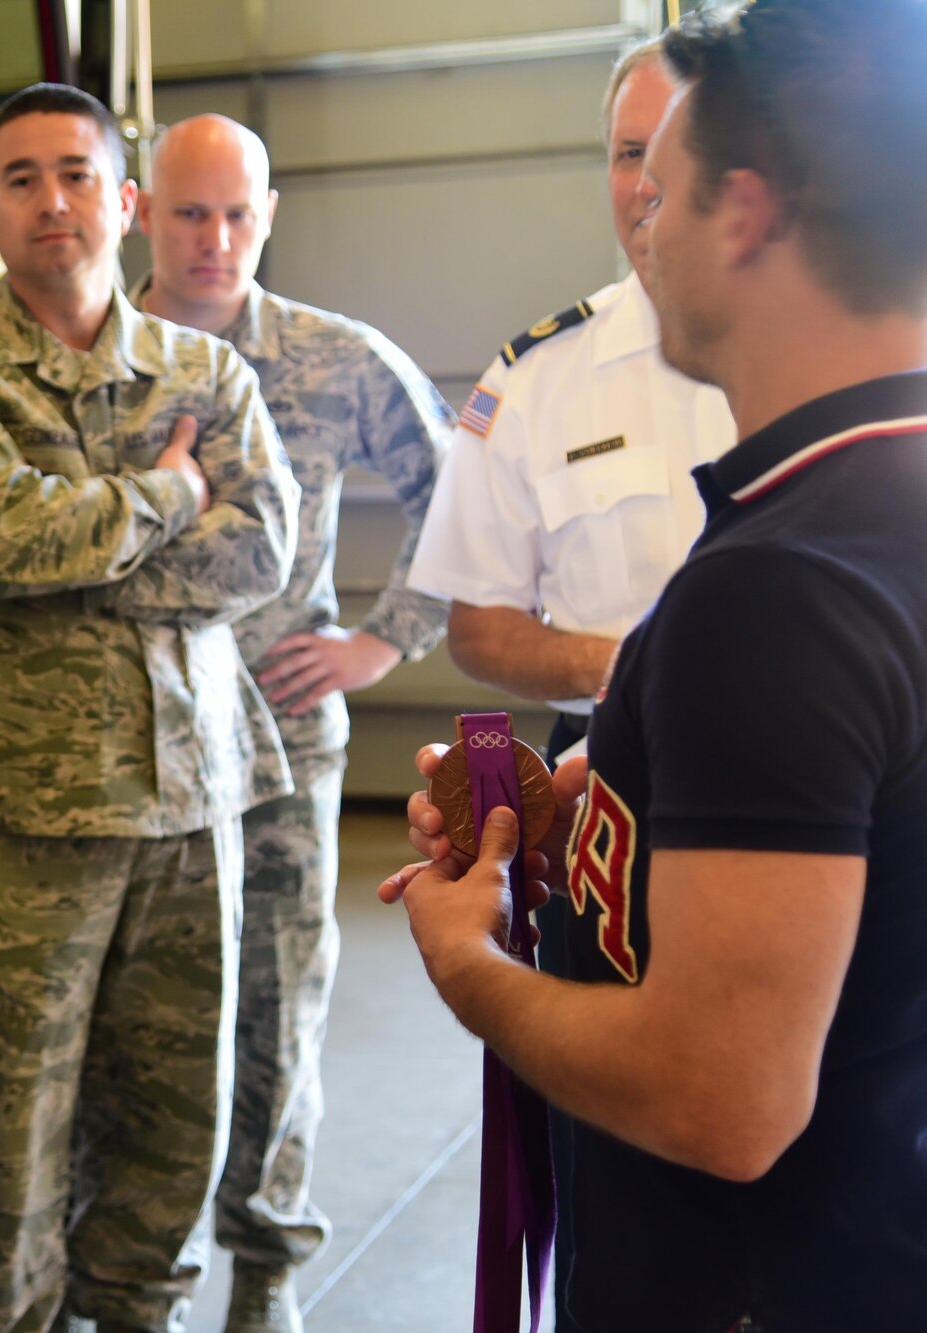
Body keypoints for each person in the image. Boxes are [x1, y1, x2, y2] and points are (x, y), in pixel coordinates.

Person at [385, 1, 927, 1328]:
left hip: (765, 1276)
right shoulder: (865, 504)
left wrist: (469, 963)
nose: (646, 228)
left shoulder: (779, 588)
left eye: (666, 194)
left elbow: (721, 1096)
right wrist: (605, 809)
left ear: (743, 213)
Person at [0, 83, 300, 1332]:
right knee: (8, 1142)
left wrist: (79, 552)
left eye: (73, 174)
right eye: (19, 179)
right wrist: (167, 497)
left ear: (120, 203)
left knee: (175, 1122)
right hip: (23, 827)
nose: (48, 201)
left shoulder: (201, 370)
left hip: (191, 808)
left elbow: (260, 552)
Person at [131, 113, 451, 1332]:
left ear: (269, 214)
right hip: (124, 740)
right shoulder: (95, 354)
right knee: (134, 1018)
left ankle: (264, 1270)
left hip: (275, 730)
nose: (213, 241)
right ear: (141, 212)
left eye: (236, 215)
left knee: (274, 1003)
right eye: (188, 213)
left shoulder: (332, 355)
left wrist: (380, 640)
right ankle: (132, 1273)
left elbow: (453, 496)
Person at [406, 32, 735, 764]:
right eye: (628, 153)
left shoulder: (826, 351)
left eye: (679, 148)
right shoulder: (535, 379)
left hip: (815, 750)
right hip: (606, 768)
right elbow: (479, 625)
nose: (650, 181)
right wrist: (622, 665)